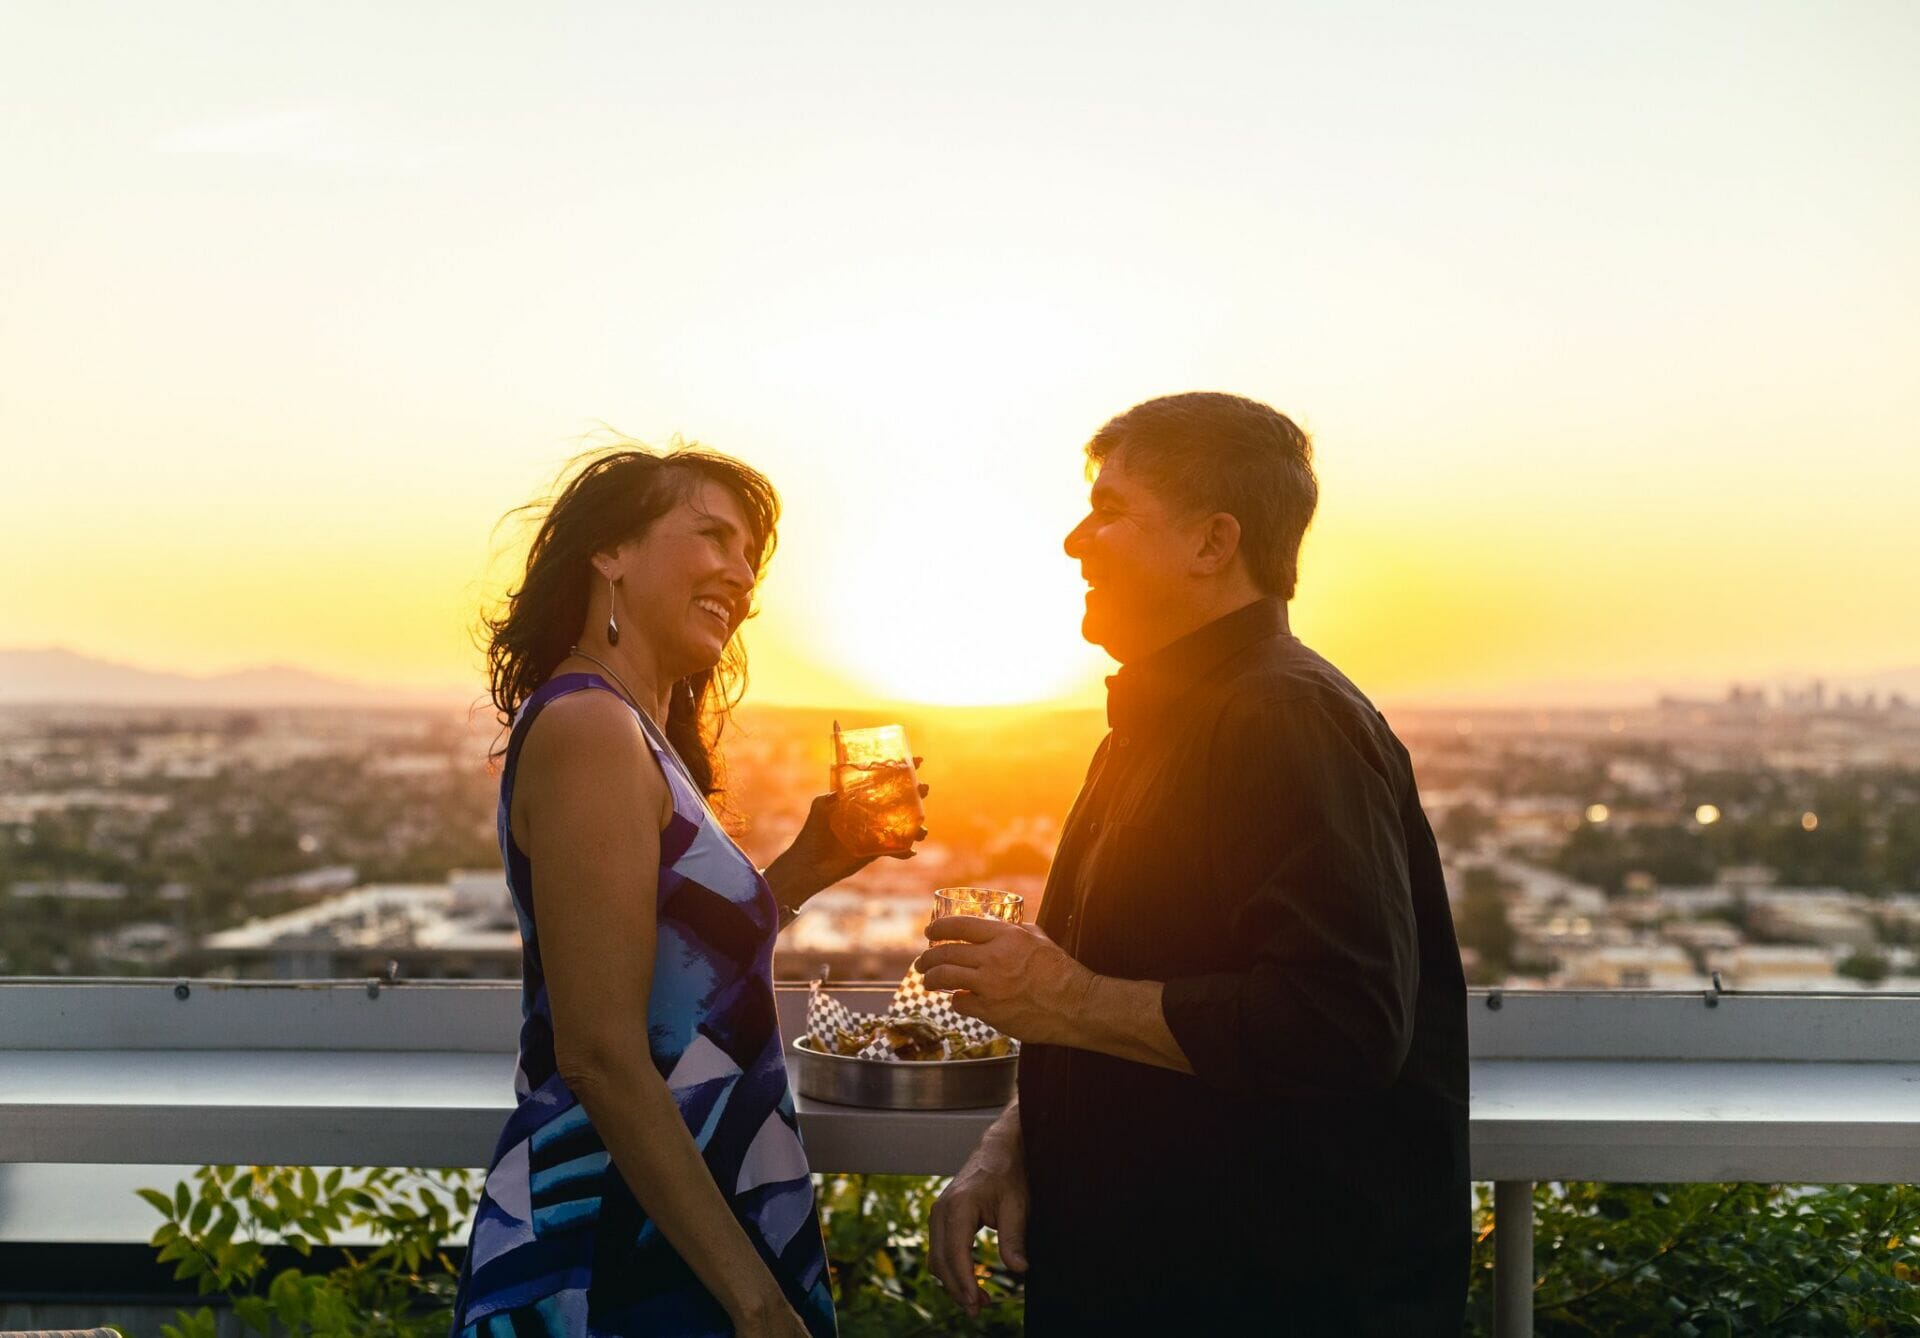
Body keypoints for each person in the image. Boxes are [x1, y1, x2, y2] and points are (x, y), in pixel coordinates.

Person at [920, 393, 1470, 1334]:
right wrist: (1016, 1141)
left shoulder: (1285, 718)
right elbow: (1128, 989)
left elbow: (1341, 1023)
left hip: (1267, 1295)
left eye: (1111, 511)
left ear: (1214, 544)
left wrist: (1060, 1001)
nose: (1074, 541)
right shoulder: (1154, 725)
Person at [452, 444, 919, 1337]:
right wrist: (754, 1302)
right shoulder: (591, 726)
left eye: (751, 558)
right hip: (622, 1238)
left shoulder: (633, 730)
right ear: (610, 552)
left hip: (676, 1209)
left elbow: (680, 983)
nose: (742, 576)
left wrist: (813, 862)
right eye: (713, 537)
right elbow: (598, 1051)